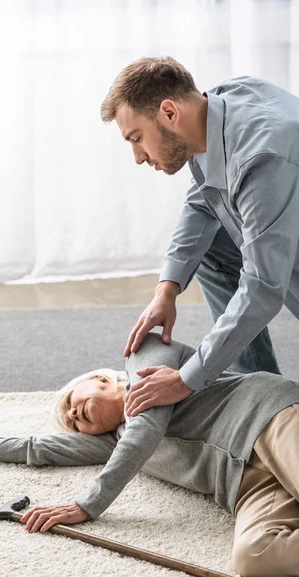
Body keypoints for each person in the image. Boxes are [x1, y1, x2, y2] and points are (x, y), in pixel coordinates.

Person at [0, 333, 299, 577]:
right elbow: (36, 449)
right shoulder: (115, 440)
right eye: (73, 423)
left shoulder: (144, 355)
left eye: (73, 402)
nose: (74, 416)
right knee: (254, 557)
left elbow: (144, 429)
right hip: (246, 486)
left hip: (268, 418)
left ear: (102, 379)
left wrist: (86, 504)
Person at [100, 56, 299, 416]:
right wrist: (167, 289)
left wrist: (186, 379)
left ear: (168, 112)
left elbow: (263, 288)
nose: (137, 157)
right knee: (208, 246)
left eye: (136, 138)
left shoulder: (261, 157)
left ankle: (272, 406)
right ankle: (262, 392)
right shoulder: (217, 106)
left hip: (284, 263)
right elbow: (203, 201)